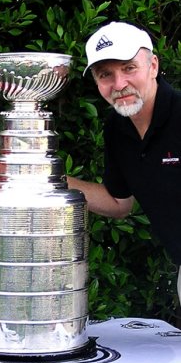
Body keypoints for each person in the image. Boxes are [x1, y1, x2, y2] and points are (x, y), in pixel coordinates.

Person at [66, 21, 181, 302]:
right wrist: (52, 178)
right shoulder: (117, 128)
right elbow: (119, 203)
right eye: (106, 74)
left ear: (153, 66)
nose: (119, 84)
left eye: (129, 68)